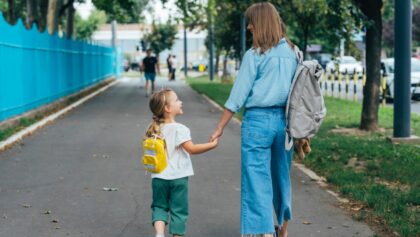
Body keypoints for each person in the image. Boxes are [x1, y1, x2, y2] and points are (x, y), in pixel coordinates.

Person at [209, 2, 297, 237]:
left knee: (256, 177)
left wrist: (219, 127)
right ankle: (283, 229)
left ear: (261, 24)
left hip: (258, 121)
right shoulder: (293, 52)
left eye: (252, 22)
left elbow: (237, 96)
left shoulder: (255, 55)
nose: (249, 27)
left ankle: (265, 232)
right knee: (281, 176)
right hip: (285, 123)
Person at [145, 89, 219, 237]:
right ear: (167, 108)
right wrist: (212, 145)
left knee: (159, 206)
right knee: (178, 210)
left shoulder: (154, 129)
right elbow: (191, 149)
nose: (181, 102)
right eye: (177, 100)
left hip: (158, 177)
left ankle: (159, 234)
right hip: (178, 178)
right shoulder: (180, 129)